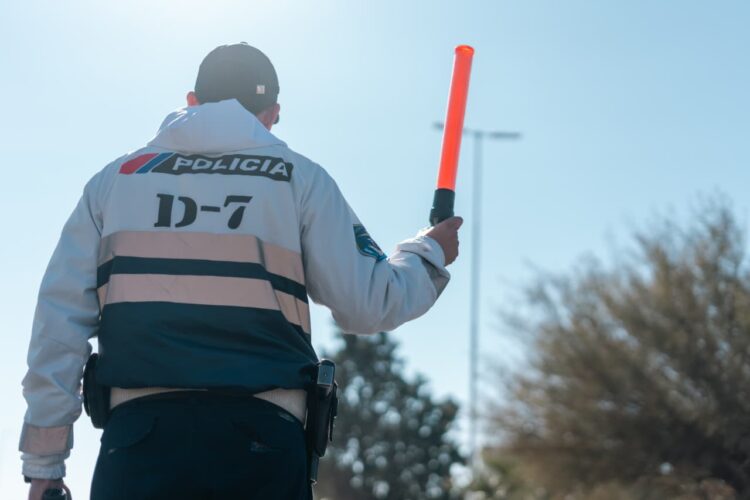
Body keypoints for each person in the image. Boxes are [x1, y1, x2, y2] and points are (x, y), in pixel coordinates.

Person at [20, 42, 463, 500]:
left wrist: (44, 466)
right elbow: (369, 303)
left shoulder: (116, 181)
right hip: (262, 447)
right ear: (272, 114)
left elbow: (58, 328)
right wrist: (429, 251)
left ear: (192, 101)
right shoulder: (299, 179)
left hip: (136, 447)